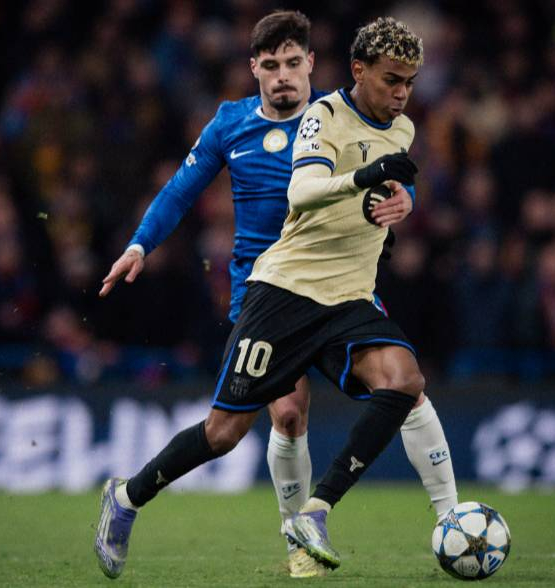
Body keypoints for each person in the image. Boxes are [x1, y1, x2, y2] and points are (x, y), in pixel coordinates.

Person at [95, 13, 456, 579]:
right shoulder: (237, 124)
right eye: (271, 65)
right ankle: (131, 498)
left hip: (344, 288)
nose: (283, 74)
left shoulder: (355, 113)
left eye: (293, 62)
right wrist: (141, 244)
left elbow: (392, 164)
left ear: (311, 63)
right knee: (269, 419)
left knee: (406, 384)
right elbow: (181, 190)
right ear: (254, 69)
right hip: (271, 289)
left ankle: (443, 519)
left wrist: (403, 195)